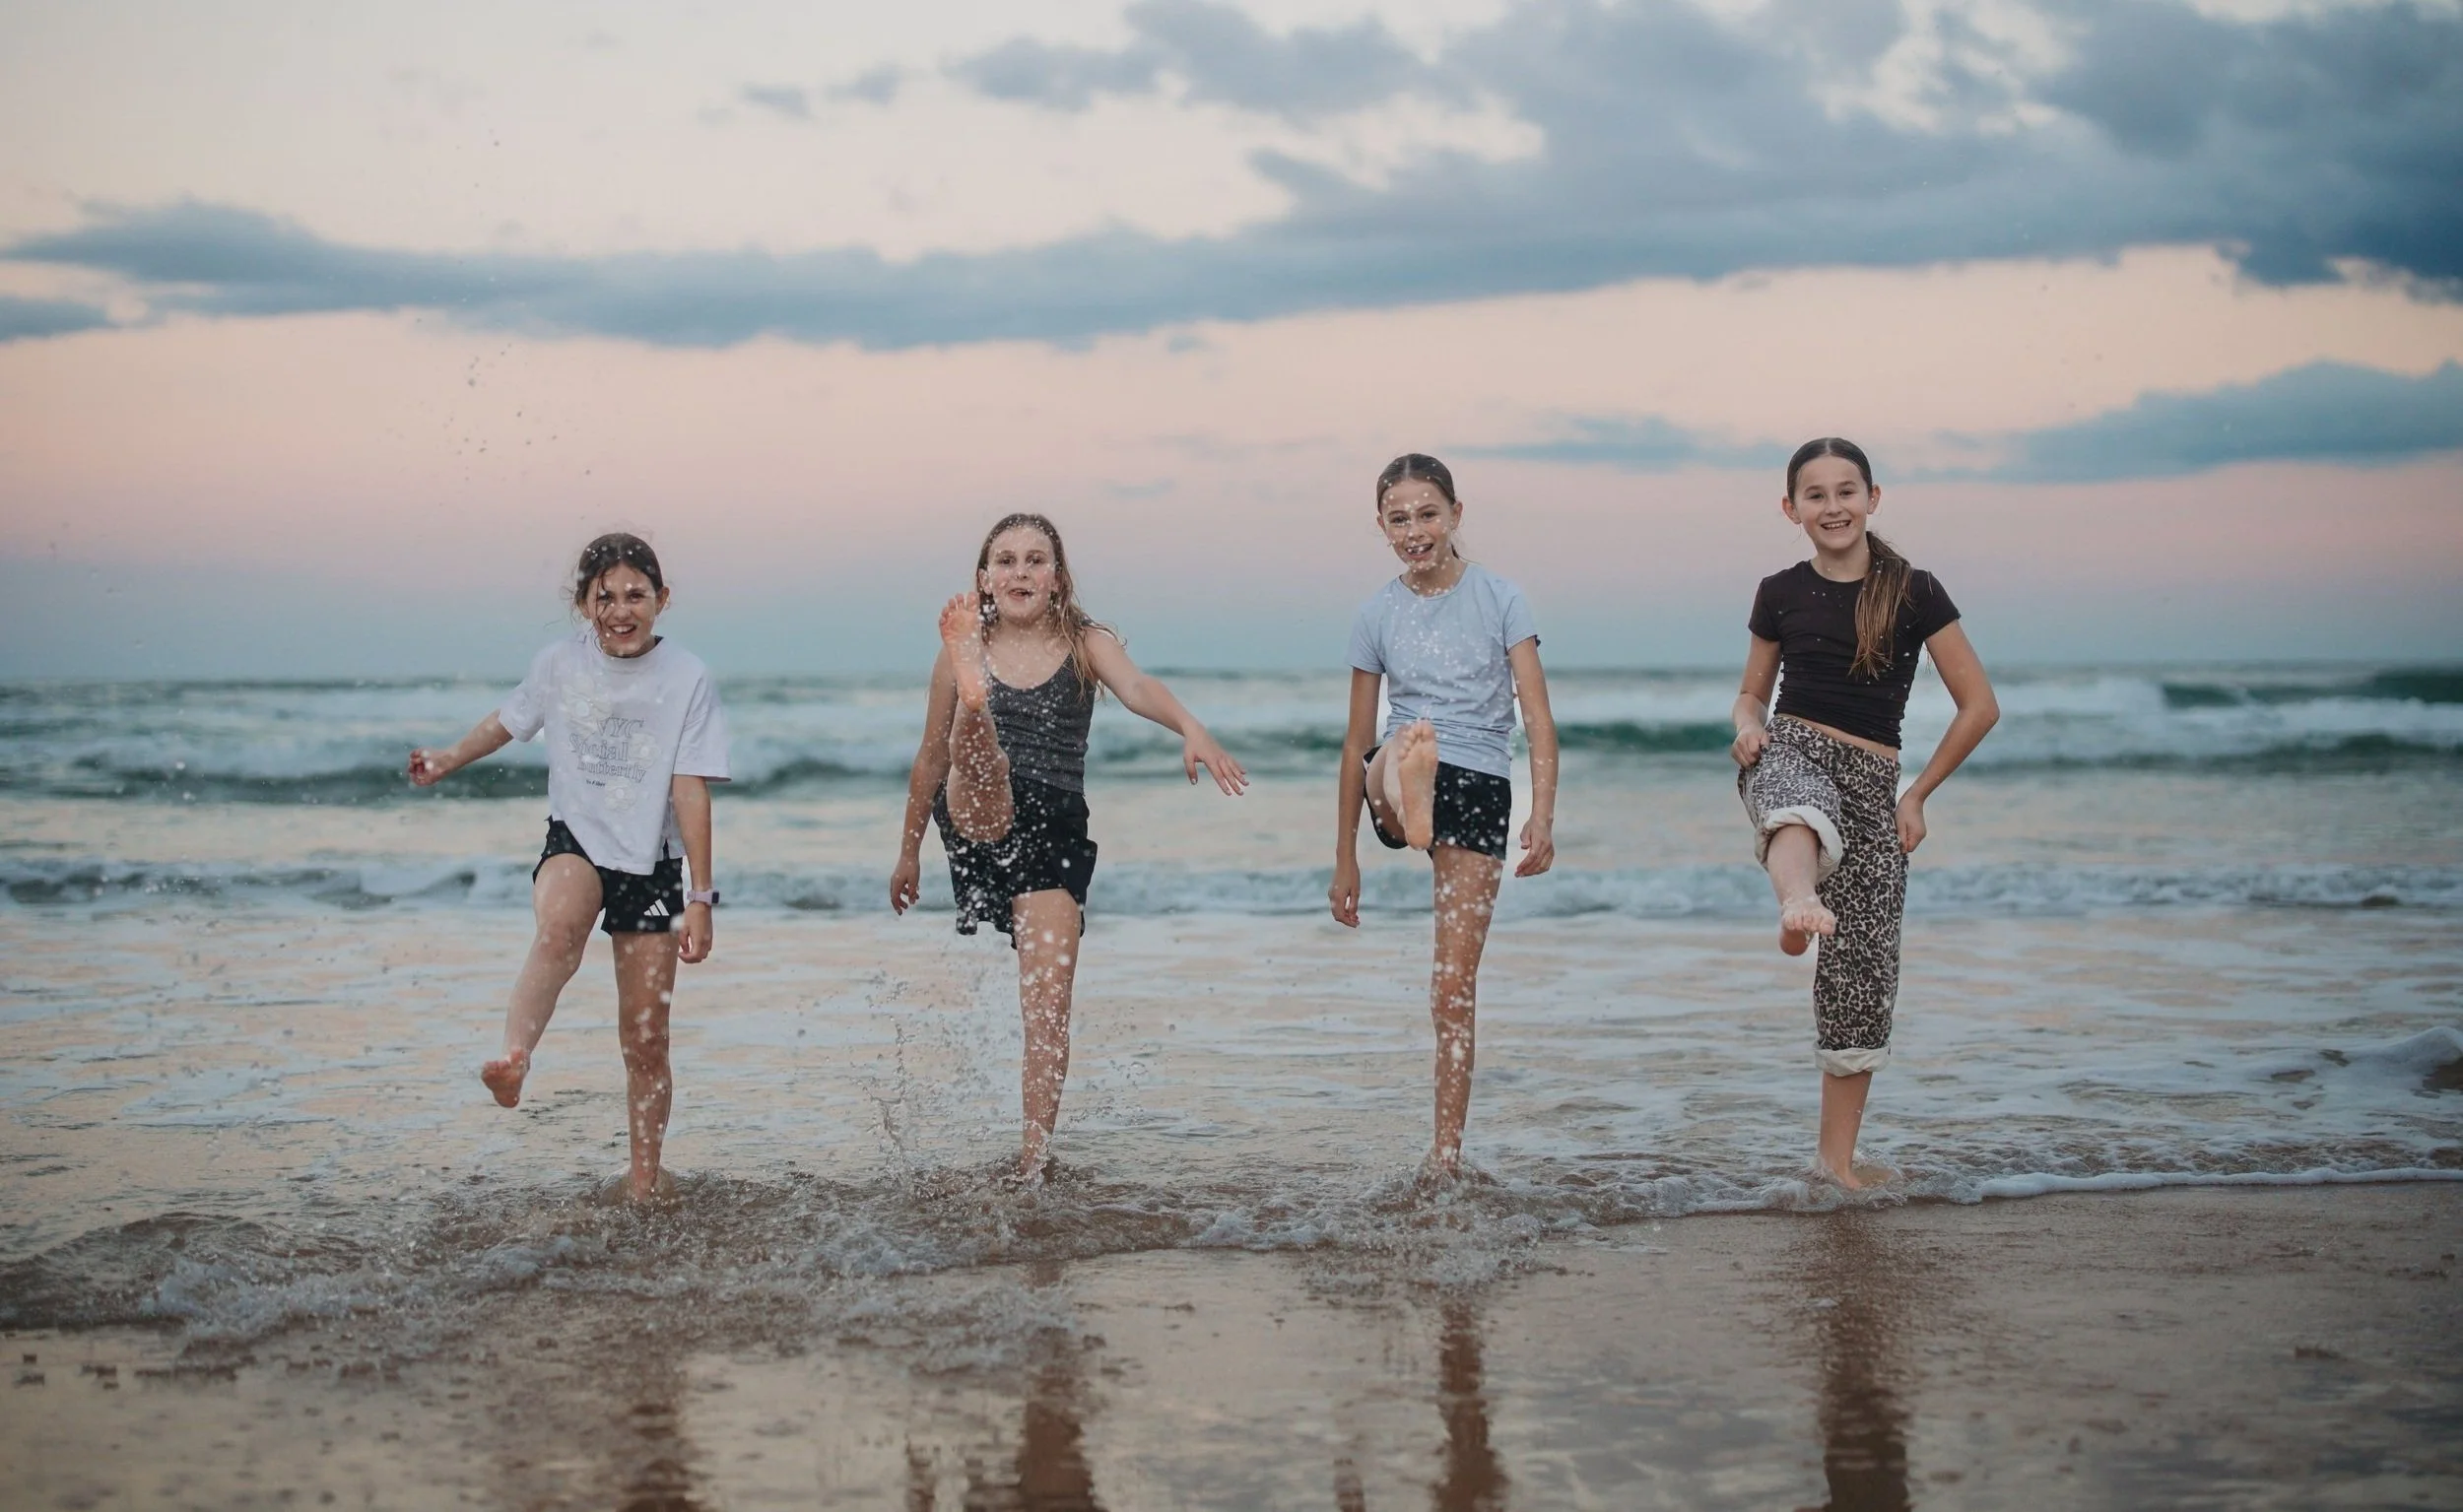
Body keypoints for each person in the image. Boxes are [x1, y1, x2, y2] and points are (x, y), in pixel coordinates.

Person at [888, 512, 1246, 1184]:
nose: (1019, 570)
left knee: (1048, 1008)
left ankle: (1034, 1162)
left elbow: (1138, 688)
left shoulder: (1086, 642)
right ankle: (978, 699)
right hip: (975, 808)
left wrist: (1190, 728)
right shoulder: (957, 647)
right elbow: (928, 757)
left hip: (1054, 829)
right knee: (978, 756)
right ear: (984, 580)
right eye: (1005, 560)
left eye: (1034, 559)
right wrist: (908, 850)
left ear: (1057, 578)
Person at [409, 532, 729, 1202]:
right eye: (603, 596)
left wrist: (700, 893)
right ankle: (515, 1057)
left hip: (654, 864)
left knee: (645, 1042)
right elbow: (508, 720)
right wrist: (447, 758)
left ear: (661, 599)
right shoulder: (559, 663)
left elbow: (690, 789)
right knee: (559, 929)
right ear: (582, 603)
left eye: (635, 594)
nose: (620, 609)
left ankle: (643, 1184)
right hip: (575, 841)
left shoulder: (687, 677)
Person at [1731, 437, 1996, 1188]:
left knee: (1863, 970)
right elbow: (1752, 692)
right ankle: (1797, 898)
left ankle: (1835, 1162)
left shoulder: (1915, 591)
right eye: (1815, 495)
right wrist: (1748, 725)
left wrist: (1917, 793)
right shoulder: (1779, 591)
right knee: (1796, 810)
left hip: (1877, 779)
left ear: (1873, 498)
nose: (1832, 506)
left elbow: (1980, 706)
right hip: (1792, 747)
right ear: (1792, 510)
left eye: (1846, 490)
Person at [1330, 454, 1559, 1179]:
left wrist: (1543, 815)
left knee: (1451, 987)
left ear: (1457, 512)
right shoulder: (1377, 612)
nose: (1415, 529)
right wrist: (1346, 855)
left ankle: (1445, 1155)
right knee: (1391, 747)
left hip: (1474, 780)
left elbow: (1537, 712)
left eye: (1428, 513)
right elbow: (1351, 738)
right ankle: (1409, 802)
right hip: (1405, 775)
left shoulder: (1500, 598)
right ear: (1381, 526)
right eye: (1399, 518)